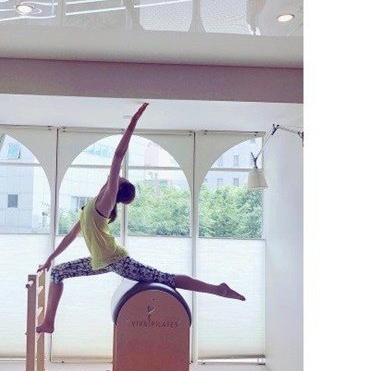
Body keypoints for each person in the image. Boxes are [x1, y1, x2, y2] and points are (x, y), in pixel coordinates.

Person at [36, 103, 245, 334]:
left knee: (167, 279)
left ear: (117, 188)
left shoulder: (105, 202)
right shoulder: (92, 206)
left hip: (117, 261)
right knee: (58, 272)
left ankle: (218, 289)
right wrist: (50, 259)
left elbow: (118, 156)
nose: (119, 176)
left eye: (120, 179)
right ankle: (49, 322)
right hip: (100, 260)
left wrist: (134, 122)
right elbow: (71, 235)